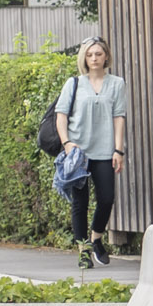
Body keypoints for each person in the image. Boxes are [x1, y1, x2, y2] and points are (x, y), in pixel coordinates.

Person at [48, 37, 129, 267]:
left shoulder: (116, 84)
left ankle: (97, 238)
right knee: (79, 203)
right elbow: (61, 115)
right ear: (84, 57)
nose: (94, 58)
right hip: (78, 154)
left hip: (104, 151)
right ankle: (83, 250)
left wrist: (118, 150)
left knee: (106, 198)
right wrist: (66, 143)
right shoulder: (73, 83)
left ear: (106, 57)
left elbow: (119, 117)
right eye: (90, 54)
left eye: (98, 54)